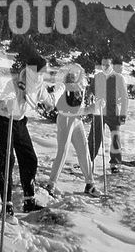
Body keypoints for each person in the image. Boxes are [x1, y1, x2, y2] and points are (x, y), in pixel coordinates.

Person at [0, 54, 55, 218]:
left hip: (19, 121)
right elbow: (4, 98)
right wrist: (4, 103)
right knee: (7, 161)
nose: (45, 73)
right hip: (5, 120)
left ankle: (29, 200)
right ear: (33, 70)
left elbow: (46, 98)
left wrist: (49, 104)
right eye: (42, 70)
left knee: (30, 159)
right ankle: (6, 205)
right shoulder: (15, 82)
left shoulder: (38, 84)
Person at [46, 64, 103, 197]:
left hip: (77, 121)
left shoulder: (80, 87)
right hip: (65, 120)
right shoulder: (62, 87)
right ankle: (51, 184)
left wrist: (96, 106)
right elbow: (65, 108)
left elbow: (80, 108)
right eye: (71, 73)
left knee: (84, 151)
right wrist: (89, 109)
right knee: (63, 151)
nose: (73, 75)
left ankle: (90, 184)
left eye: (76, 73)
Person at [88, 57, 128, 174]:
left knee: (115, 137)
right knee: (94, 137)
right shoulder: (98, 76)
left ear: (112, 65)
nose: (104, 67)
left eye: (107, 64)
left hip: (113, 111)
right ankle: (88, 160)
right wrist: (89, 96)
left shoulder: (118, 78)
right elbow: (91, 90)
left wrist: (123, 114)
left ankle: (115, 163)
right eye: (103, 64)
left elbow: (124, 97)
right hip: (99, 110)